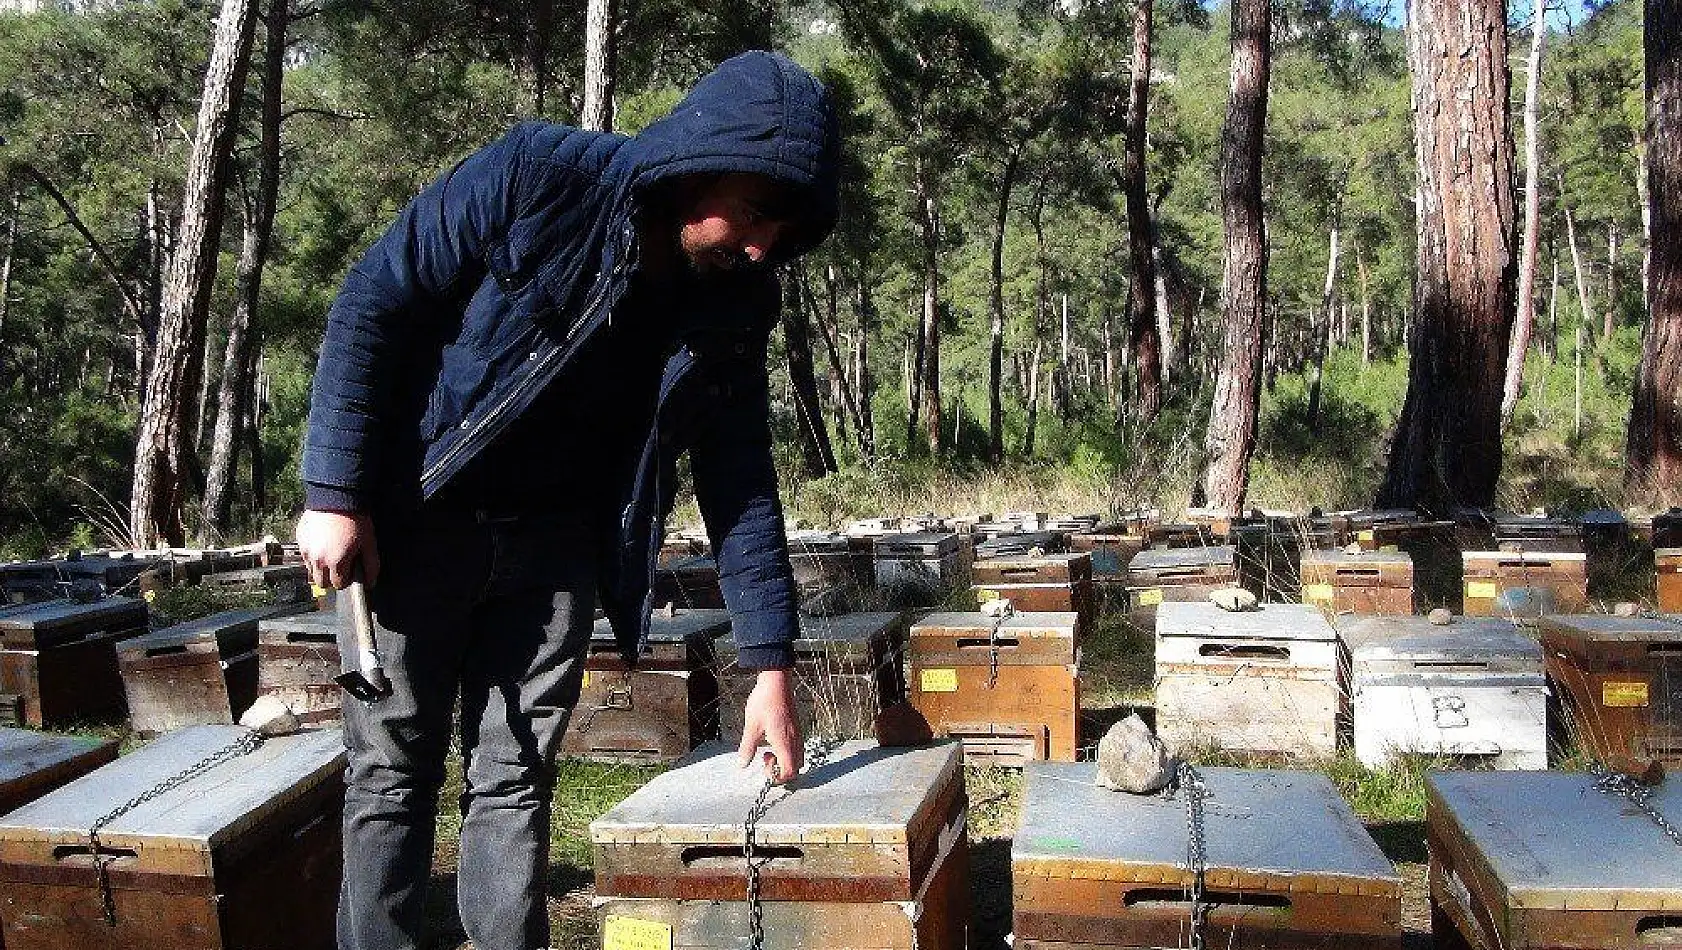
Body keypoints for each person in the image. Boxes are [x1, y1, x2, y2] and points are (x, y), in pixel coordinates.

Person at [294, 50, 840, 950]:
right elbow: (373, 299)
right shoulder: (536, 177)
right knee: (392, 771)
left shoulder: (737, 301)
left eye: (780, 233)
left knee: (515, 775)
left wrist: (768, 665)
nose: (760, 246)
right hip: (420, 521)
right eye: (753, 214)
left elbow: (740, 480)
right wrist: (335, 490)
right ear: (698, 157)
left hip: (554, 553)